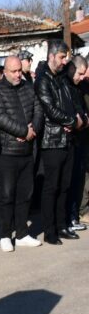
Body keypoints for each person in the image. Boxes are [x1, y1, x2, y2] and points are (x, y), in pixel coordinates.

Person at [0, 55, 43, 251]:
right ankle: (5, 235)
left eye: (20, 70)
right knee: (7, 196)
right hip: (7, 152)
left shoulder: (28, 87)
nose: (18, 74)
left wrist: (32, 131)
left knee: (25, 195)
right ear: (5, 72)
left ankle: (21, 233)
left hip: (27, 151)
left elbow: (38, 110)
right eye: (14, 71)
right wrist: (22, 131)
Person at [35, 39, 81, 244]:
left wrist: (79, 118)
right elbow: (50, 109)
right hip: (52, 140)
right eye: (62, 57)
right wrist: (71, 121)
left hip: (68, 138)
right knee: (51, 187)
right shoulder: (43, 80)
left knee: (65, 186)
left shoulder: (62, 78)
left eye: (66, 58)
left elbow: (73, 101)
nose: (64, 62)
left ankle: (62, 225)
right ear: (52, 56)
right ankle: (49, 230)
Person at [65, 55, 89, 232]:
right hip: (70, 139)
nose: (82, 77)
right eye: (80, 73)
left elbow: (82, 111)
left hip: (80, 136)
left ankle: (73, 217)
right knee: (69, 182)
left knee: (78, 179)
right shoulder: (67, 86)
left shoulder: (79, 87)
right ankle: (69, 217)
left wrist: (84, 120)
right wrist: (78, 121)